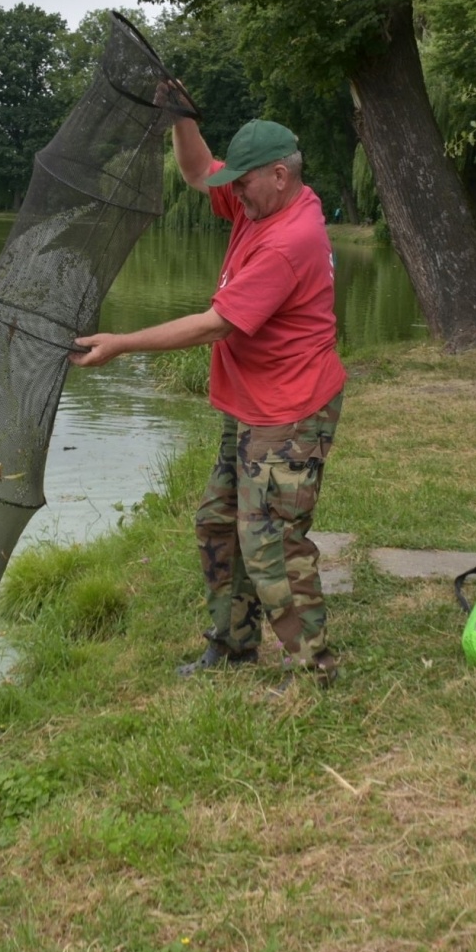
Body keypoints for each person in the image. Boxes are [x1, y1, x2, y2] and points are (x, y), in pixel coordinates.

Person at [69, 114, 346, 685]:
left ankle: (313, 669)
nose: (234, 193)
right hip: (250, 403)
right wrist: (181, 117)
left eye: (242, 183)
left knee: (272, 543)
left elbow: (215, 324)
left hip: (289, 413)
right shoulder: (261, 202)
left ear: (279, 175)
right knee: (218, 522)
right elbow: (197, 171)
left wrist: (121, 343)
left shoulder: (289, 240)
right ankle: (233, 645)